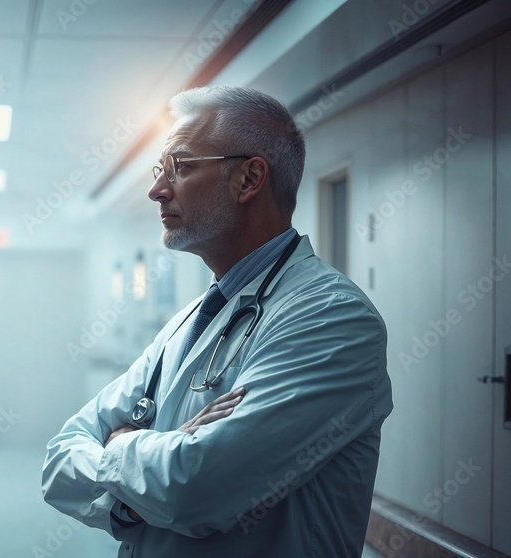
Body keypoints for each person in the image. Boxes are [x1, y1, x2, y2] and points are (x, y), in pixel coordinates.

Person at [41, 85, 393, 557]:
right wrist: (141, 489)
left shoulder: (331, 318)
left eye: (181, 167)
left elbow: (197, 489)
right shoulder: (188, 320)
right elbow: (60, 456)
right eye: (160, 170)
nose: (156, 190)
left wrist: (124, 444)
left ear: (249, 179)